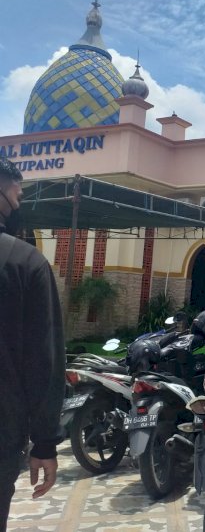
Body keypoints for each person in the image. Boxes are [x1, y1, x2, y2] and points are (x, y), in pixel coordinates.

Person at [0, 159, 65, 531]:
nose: (19, 204)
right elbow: (44, 360)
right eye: (17, 193)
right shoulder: (25, 263)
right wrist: (44, 443)